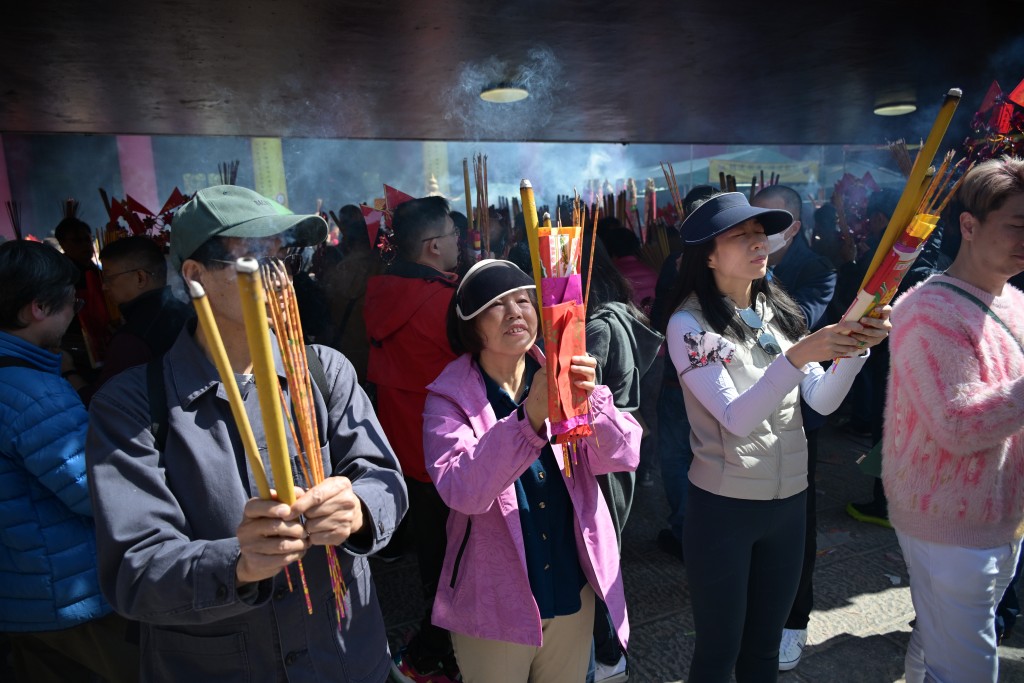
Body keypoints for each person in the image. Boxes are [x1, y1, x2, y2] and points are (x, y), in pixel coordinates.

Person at [85, 185, 407, 682]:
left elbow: (383, 477)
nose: (278, 277)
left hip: (343, 655)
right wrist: (237, 563)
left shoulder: (324, 372)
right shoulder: (132, 406)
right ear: (194, 276)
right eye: (254, 258)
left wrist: (359, 508)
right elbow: (134, 569)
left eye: (283, 257)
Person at [664, 192, 890, 682]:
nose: (758, 244)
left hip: (789, 505)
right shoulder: (688, 325)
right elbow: (735, 418)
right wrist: (797, 357)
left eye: (760, 235)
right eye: (740, 237)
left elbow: (822, 400)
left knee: (765, 652)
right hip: (724, 509)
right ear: (707, 254)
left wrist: (855, 350)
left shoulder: (776, 311)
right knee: (718, 656)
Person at [423, 259, 642, 683]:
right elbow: (461, 490)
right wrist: (528, 419)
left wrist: (592, 402)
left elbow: (624, 454)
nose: (515, 312)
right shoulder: (449, 400)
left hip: (569, 585)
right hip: (494, 599)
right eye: (496, 305)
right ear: (470, 324)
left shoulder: (559, 373)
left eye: (524, 300)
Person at [882, 157, 1024, 683]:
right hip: (946, 517)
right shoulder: (927, 311)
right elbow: (958, 424)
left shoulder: (1014, 302)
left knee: (939, 639)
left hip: (1001, 512)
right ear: (969, 225)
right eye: (1017, 226)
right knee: (967, 664)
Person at [0, 239, 139, 683]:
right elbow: (95, 491)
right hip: (67, 603)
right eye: (72, 302)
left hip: (20, 596)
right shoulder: (32, 393)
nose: (76, 312)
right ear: (36, 308)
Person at [363, 195, 461, 682]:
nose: (459, 241)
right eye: (453, 234)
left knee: (434, 552)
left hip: (405, 448)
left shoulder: (379, 292)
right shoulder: (447, 302)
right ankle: (436, 650)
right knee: (457, 559)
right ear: (433, 246)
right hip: (451, 450)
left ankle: (436, 644)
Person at [752, 185, 837, 670]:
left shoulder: (815, 270)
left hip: (797, 415)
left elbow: (799, 327)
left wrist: (754, 280)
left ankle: (795, 621)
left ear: (796, 227)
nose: (759, 233)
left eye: (771, 223)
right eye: (753, 222)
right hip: (744, 416)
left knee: (796, 526)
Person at [582, 235, 663, 681]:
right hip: (620, 450)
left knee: (598, 558)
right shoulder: (623, 312)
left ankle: (609, 654)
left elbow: (586, 403)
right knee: (606, 551)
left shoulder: (597, 327)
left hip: (604, 453)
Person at [650, 184, 717, 560]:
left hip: (689, 378)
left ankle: (687, 531)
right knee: (685, 454)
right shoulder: (678, 265)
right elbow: (662, 317)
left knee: (680, 456)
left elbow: (660, 318)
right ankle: (699, 531)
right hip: (688, 379)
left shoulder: (679, 262)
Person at [75, 235, 193, 405]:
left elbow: (102, 403)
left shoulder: (132, 338)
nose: (104, 286)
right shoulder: (184, 312)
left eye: (108, 278)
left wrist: (68, 372)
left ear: (140, 278)